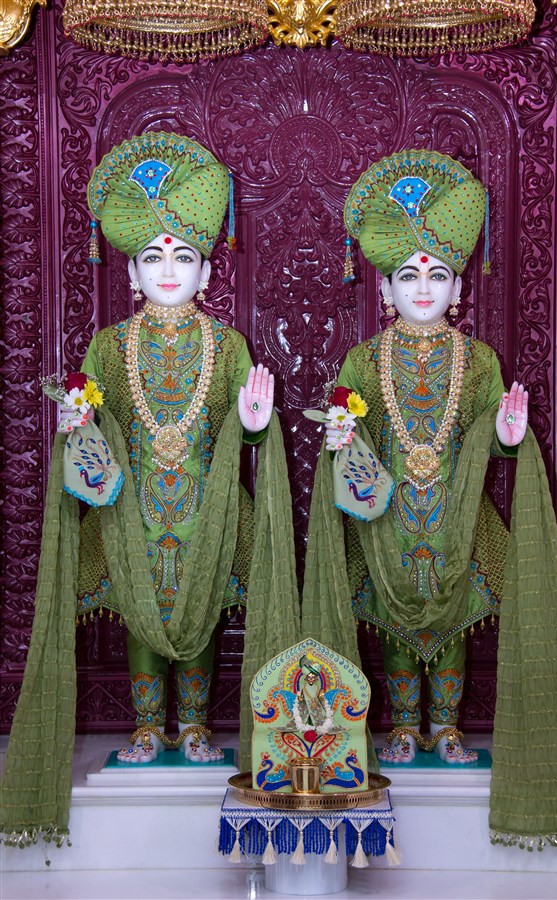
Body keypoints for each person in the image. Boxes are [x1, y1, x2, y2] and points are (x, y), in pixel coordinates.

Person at [1, 132, 299, 846]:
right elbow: (93, 430)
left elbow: (244, 431)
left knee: (201, 605)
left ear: (207, 272)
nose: (169, 271)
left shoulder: (228, 346)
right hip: (132, 512)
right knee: (141, 607)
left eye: (184, 257)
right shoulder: (109, 346)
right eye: (155, 257)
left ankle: (193, 725)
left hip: (207, 508)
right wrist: (77, 426)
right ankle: (144, 726)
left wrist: (254, 423)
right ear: (133, 271)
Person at [302, 149, 557, 847]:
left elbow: (493, 432)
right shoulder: (362, 360)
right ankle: (405, 727)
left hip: (457, 517)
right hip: (386, 522)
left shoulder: (480, 360)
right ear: (384, 288)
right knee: (391, 614)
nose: (423, 287)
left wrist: (507, 433)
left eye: (437, 274)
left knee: (458, 610)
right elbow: (346, 435)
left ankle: (449, 727)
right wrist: (342, 436)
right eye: (408, 275)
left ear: (458, 285)